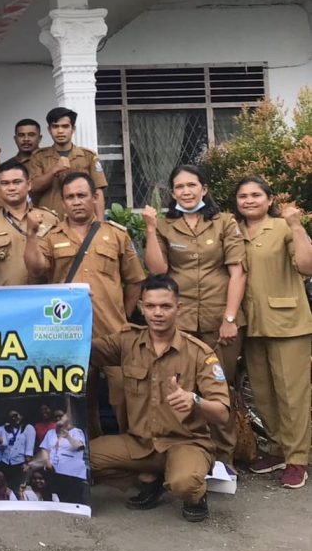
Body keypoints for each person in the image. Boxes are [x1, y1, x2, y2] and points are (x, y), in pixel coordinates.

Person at [90, 274, 232, 521]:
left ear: (178, 308)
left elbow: (222, 414)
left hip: (185, 442)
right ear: (141, 307)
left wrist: (195, 400)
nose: (158, 313)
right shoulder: (126, 341)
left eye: (165, 306)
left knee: (185, 483)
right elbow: (82, 349)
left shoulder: (199, 353)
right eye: (151, 306)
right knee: (79, 459)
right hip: (139, 444)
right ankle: (149, 477)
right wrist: (80, 309)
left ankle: (194, 491)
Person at [25, 172, 146, 435]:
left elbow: (135, 280)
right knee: (79, 399)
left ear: (94, 198)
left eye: (82, 195)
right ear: (63, 202)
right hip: (70, 332)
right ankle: (92, 456)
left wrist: (123, 314)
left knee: (123, 395)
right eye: (70, 197)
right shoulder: (51, 236)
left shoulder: (116, 235)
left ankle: (133, 454)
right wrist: (32, 236)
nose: (76, 202)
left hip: (113, 331)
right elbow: (36, 270)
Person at [143, 164, 246, 471]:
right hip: (182, 322)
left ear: (204, 188)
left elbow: (237, 272)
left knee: (220, 388)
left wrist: (229, 318)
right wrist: (149, 229)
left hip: (220, 321)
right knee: (183, 387)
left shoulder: (224, 222)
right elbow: (158, 271)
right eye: (179, 187)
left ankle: (224, 457)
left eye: (192, 185)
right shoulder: (164, 224)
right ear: (172, 193)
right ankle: (189, 455)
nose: (186, 192)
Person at [235, 176, 312, 488]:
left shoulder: (281, 227)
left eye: (256, 195)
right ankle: (277, 448)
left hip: (287, 323)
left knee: (291, 395)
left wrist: (296, 225)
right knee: (264, 394)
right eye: (243, 196)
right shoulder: (233, 230)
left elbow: (307, 265)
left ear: (269, 200)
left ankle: (297, 459)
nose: (250, 200)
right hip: (252, 324)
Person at [0, 159, 59, 286]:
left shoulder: (49, 218)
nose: (11, 188)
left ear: (29, 184)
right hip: (6, 301)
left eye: (17, 182)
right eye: (5, 183)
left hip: (44, 299)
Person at [28, 107, 107, 219]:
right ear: (49, 130)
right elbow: (33, 187)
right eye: (55, 127)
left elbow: (98, 191)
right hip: (49, 221)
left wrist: (100, 222)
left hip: (82, 221)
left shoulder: (88, 156)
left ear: (73, 129)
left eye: (65, 126)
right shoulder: (39, 157)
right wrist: (53, 171)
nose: (60, 131)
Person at [39, 412, 87, 505]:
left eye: (60, 416)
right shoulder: (50, 433)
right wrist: (47, 461)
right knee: (55, 499)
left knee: (72, 501)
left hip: (72, 475)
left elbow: (79, 446)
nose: (57, 418)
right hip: (53, 472)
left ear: (68, 417)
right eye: (55, 417)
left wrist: (68, 437)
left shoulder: (76, 431)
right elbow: (44, 449)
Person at [1, 410, 36, 488]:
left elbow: (29, 449)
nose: (14, 418)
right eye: (11, 417)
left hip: (19, 463)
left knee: (17, 488)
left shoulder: (28, 428)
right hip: (5, 462)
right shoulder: (7, 428)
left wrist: (27, 463)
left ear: (21, 415)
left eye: (16, 415)